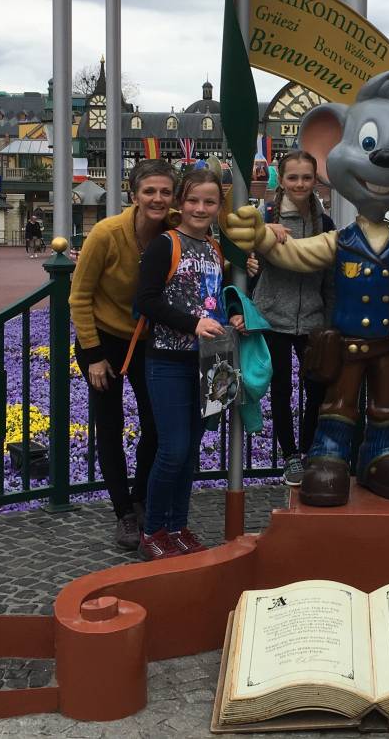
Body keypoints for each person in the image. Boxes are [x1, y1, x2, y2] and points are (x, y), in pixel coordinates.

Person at [134, 169, 242, 561]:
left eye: (209, 202)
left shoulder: (214, 248)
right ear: (180, 203)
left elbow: (215, 297)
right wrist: (192, 323)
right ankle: (153, 530)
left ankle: (178, 525)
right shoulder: (166, 244)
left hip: (209, 362)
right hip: (168, 360)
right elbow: (145, 301)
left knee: (190, 451)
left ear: (218, 207)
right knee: (173, 449)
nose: (200, 208)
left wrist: (233, 314)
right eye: (193, 200)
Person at [70, 162, 172, 551]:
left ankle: (140, 496)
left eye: (165, 192)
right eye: (149, 191)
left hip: (147, 341)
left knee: (156, 424)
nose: (157, 199)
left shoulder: (174, 231)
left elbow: (215, 232)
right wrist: (94, 355)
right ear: (134, 195)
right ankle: (123, 513)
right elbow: (80, 296)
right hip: (104, 341)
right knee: (110, 425)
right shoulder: (106, 234)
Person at [246, 151, 335, 486]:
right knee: (281, 389)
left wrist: (328, 319)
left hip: (312, 318)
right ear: (281, 180)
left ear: (315, 181)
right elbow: (238, 248)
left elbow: (330, 278)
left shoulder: (325, 224)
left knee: (317, 388)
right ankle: (289, 455)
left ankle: (310, 449)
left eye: (306, 177)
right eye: (293, 177)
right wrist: (259, 237)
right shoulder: (264, 216)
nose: (300, 184)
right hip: (273, 315)